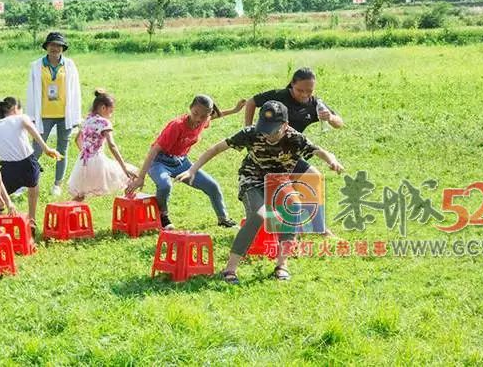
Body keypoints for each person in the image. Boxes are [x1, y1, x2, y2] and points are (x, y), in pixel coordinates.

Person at [178, 100, 345, 284]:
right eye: (264, 129)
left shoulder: (295, 138)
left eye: (272, 130)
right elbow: (217, 148)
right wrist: (192, 170)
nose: (267, 135)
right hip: (252, 179)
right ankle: (230, 269)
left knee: (293, 206)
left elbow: (319, 151)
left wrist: (331, 161)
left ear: (285, 126)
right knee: (258, 214)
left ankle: (282, 265)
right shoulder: (251, 133)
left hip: (278, 181)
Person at [127, 94, 245, 230]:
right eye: (195, 114)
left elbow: (215, 116)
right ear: (190, 108)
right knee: (165, 185)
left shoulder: (203, 120)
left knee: (213, 186)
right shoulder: (177, 126)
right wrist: (141, 177)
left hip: (181, 163)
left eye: (203, 117)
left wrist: (235, 110)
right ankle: (163, 216)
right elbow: (154, 150)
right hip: (159, 161)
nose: (198, 119)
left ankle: (223, 219)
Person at [0, 96, 61, 233]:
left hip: (8, 168)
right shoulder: (21, 118)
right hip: (28, 164)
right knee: (33, 186)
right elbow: (31, 129)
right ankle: (32, 219)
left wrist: (7, 200)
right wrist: (46, 148)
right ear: (15, 109)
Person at [25, 32, 82, 196]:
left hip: (65, 114)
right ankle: (27, 180)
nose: (55, 48)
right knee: (37, 149)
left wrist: (76, 116)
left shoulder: (69, 65)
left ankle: (58, 183)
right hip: (44, 114)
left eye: (58, 45)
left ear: (62, 48)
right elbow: (31, 91)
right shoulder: (36, 65)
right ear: (47, 47)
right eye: (52, 45)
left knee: (62, 149)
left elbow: (75, 90)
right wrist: (32, 117)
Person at [67, 89, 137, 201]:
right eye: (111, 111)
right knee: (131, 174)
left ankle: (67, 213)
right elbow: (112, 146)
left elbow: (77, 139)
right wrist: (124, 168)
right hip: (98, 163)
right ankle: (129, 206)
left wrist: (86, 152)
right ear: (103, 108)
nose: (111, 114)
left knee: (80, 195)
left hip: (83, 162)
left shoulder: (88, 119)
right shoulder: (104, 123)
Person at [244, 67, 343, 132]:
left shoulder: (315, 104)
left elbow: (339, 123)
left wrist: (330, 117)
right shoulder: (279, 95)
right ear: (292, 84)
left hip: (291, 147)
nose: (304, 95)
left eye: (309, 91)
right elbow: (251, 102)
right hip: (266, 143)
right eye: (299, 90)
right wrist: (248, 129)